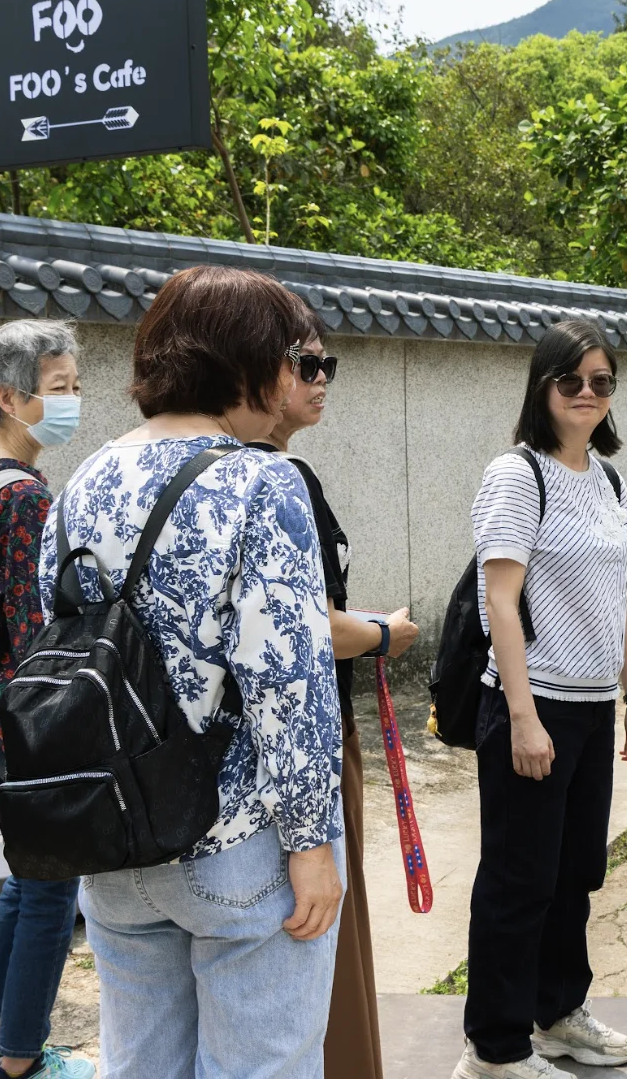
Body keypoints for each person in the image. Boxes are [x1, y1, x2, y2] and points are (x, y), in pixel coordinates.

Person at [40, 266, 346, 1079]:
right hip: (237, 839)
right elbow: (288, 681)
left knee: (140, 1065)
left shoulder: (85, 479)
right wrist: (312, 840)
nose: (297, 377)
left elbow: (55, 640)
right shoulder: (262, 481)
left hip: (114, 835)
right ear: (247, 363)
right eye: (289, 358)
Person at [454, 319, 627, 1079]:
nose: (587, 394)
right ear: (543, 387)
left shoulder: (609, 480)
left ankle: (559, 1013)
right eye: (571, 380)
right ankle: (494, 1050)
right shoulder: (517, 475)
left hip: (593, 705)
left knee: (574, 874)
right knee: (518, 880)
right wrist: (523, 718)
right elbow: (499, 601)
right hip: (531, 702)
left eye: (602, 382)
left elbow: (621, 591)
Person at [251, 306, 420, 1079]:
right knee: (321, 943)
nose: (321, 380)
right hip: (305, 746)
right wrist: (382, 633)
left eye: (328, 366)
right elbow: (310, 626)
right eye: (305, 364)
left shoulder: (219, 472)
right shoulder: (279, 482)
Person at [0, 320, 93, 1079]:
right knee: (52, 890)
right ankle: (20, 1061)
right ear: (10, 398)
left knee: (29, 873)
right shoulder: (27, 499)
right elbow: (39, 632)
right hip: (26, 723)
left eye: (75, 385)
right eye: (59, 388)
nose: (73, 401)